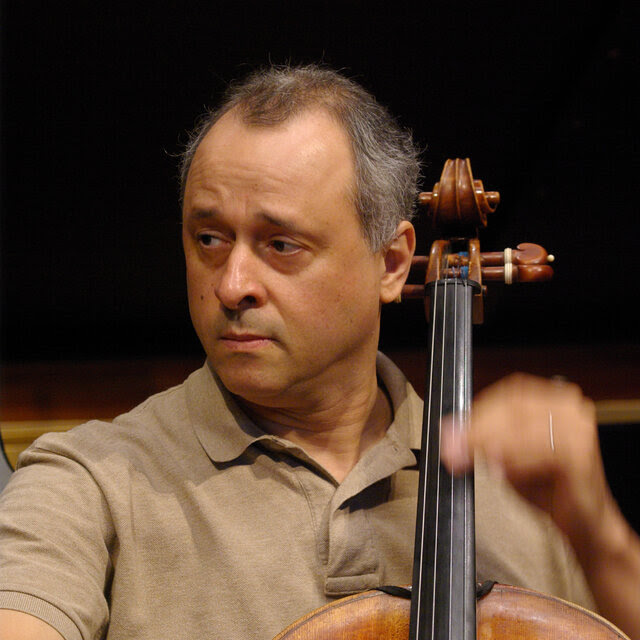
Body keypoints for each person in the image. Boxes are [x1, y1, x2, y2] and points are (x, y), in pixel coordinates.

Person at [0, 64, 638, 640]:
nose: (231, 284)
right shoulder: (88, 481)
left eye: (281, 245)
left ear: (390, 264)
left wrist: (598, 532)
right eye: (210, 238)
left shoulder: (522, 492)